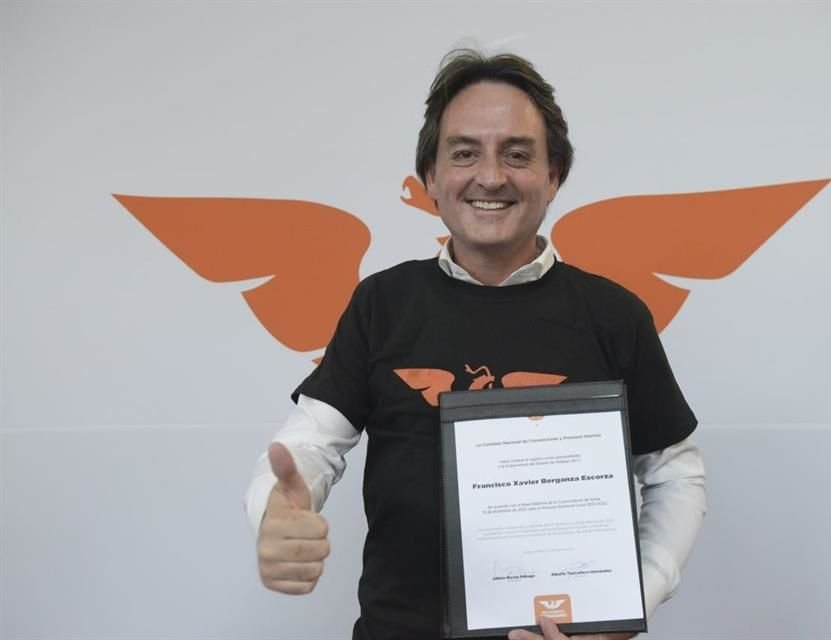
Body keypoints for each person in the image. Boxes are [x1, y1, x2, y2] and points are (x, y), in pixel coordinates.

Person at [245, 49, 706, 640]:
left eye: (517, 154)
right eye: (464, 153)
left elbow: (674, 474)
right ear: (431, 178)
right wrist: (276, 511)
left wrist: (629, 603)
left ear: (554, 176)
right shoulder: (383, 303)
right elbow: (310, 443)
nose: (490, 177)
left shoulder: (613, 315)